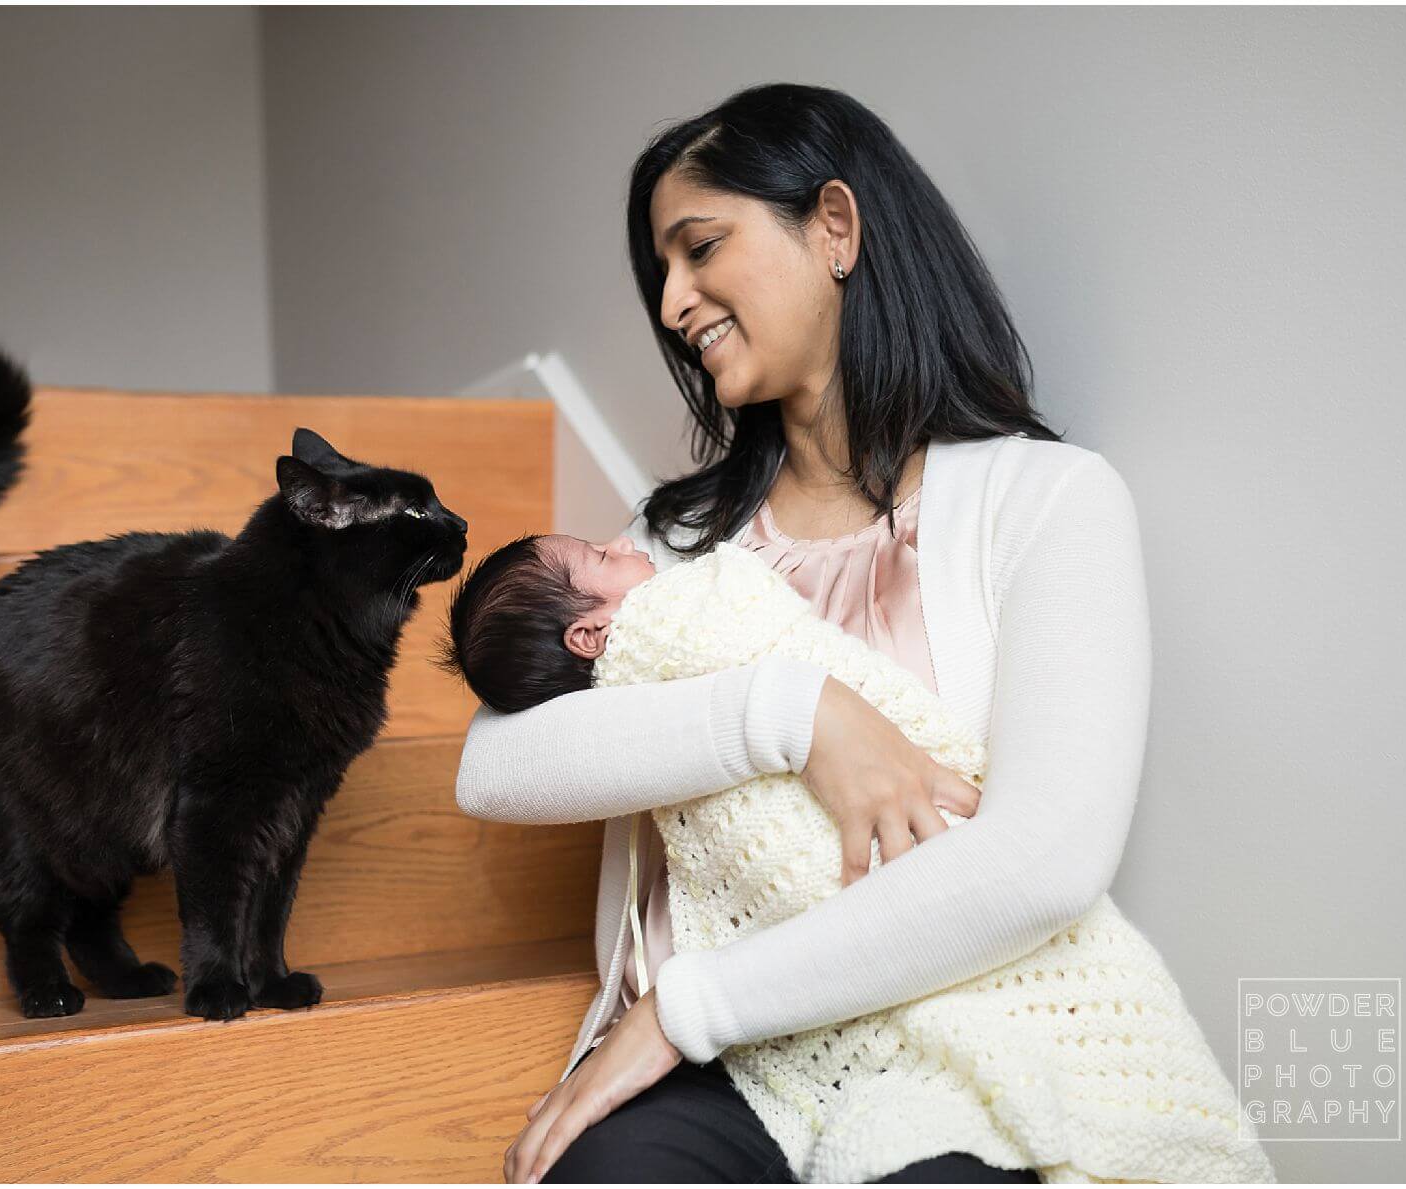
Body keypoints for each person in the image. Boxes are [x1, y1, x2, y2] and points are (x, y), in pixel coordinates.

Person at [454, 82, 1153, 1184]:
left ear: (833, 227)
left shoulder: (1049, 503)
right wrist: (792, 711)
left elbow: (1045, 862)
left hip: (945, 1042)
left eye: (699, 249)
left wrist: (690, 1007)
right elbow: (494, 769)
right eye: (663, 276)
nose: (674, 303)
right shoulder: (673, 545)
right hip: (720, 1076)